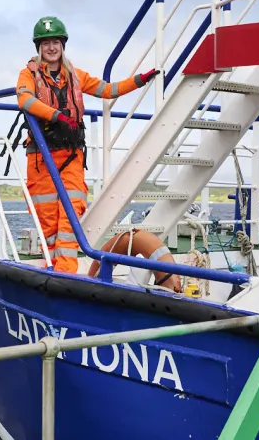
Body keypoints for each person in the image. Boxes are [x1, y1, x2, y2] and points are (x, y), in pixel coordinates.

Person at [16, 16, 157, 273]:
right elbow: (24, 100)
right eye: (46, 43)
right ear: (38, 47)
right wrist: (56, 115)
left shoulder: (76, 76)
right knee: (47, 219)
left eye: (55, 42)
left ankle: (65, 274)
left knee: (69, 218)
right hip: (41, 157)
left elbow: (108, 90)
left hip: (71, 156)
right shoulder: (28, 74)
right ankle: (53, 266)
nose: (51, 48)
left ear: (63, 45)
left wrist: (139, 80)